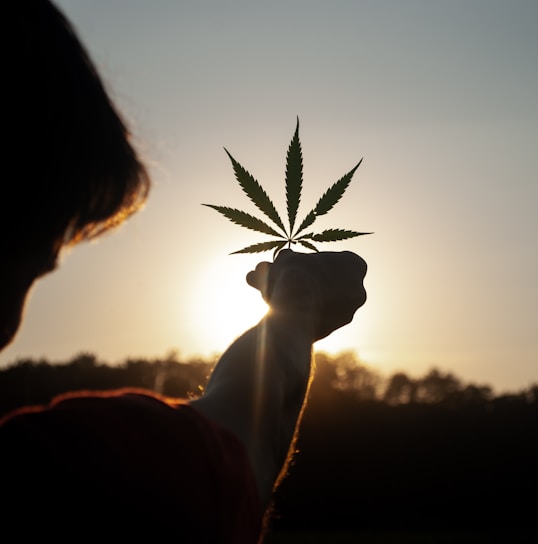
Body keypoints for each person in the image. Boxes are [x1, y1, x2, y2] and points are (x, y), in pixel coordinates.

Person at [1, 1, 367, 542]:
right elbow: (243, 434)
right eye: (32, 263)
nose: (13, 322)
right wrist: (296, 310)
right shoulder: (68, 479)